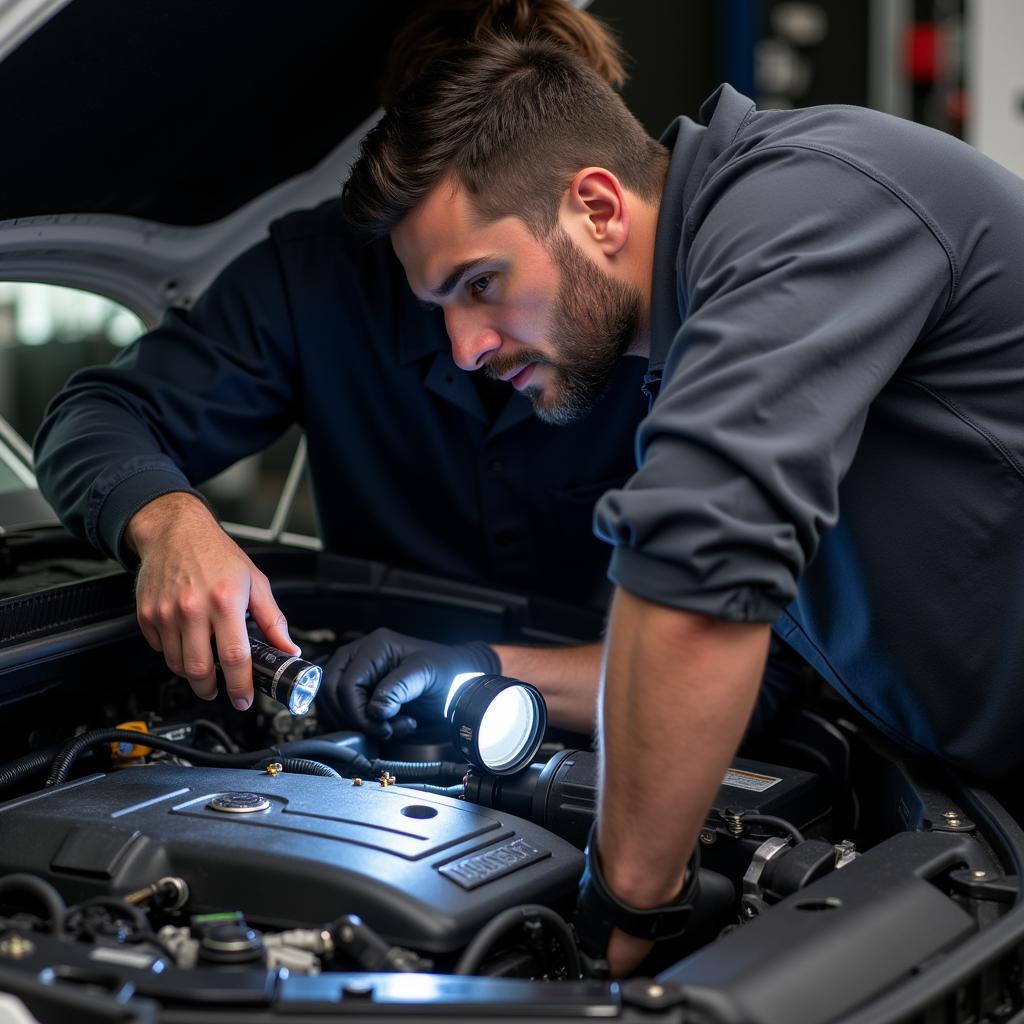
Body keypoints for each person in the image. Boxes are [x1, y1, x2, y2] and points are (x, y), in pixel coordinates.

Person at [338, 35, 1024, 975]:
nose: (463, 348)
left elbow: (698, 594)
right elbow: (762, 669)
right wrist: (486, 667)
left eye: (480, 284)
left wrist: (623, 912)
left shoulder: (805, 204)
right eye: (442, 308)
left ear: (595, 207)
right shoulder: (698, 326)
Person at [31, 1, 646, 727]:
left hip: (618, 721)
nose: (466, 346)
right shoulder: (315, 277)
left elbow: (745, 672)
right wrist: (168, 521)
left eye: (484, 279)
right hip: (371, 722)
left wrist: (488, 670)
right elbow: (94, 415)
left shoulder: (676, 305)